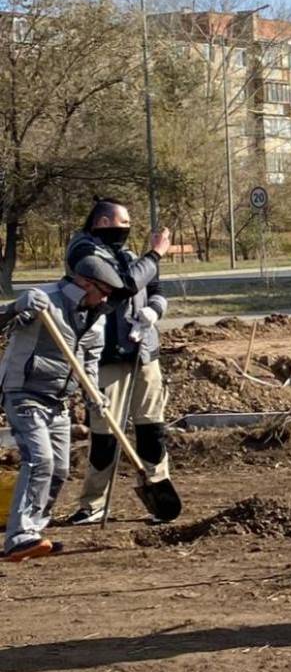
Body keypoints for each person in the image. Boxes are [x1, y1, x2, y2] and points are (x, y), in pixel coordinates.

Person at [1, 256, 121, 561]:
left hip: (58, 400)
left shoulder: (97, 316)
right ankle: (20, 536)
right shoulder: (44, 302)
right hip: (23, 392)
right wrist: (16, 306)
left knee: (59, 469)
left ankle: (32, 531)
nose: (105, 299)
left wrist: (94, 394)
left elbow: (89, 362)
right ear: (83, 283)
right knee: (39, 460)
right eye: (102, 291)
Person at [63, 198, 174, 526]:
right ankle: (93, 503)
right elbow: (122, 284)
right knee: (105, 433)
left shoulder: (127, 254)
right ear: (100, 223)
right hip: (108, 356)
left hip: (144, 354)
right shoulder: (83, 251)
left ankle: (159, 496)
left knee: (151, 428)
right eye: (122, 222)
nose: (127, 229)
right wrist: (154, 255)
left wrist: (153, 311)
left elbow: (154, 287)